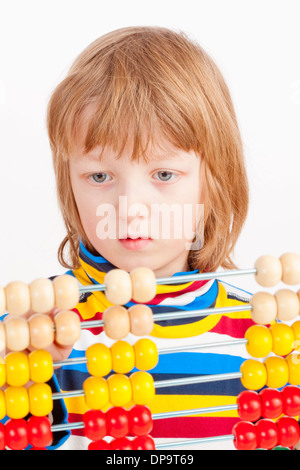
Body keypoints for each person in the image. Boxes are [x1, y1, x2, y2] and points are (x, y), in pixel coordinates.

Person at [4, 26, 255, 450]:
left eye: (163, 174)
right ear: (70, 185)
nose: (129, 206)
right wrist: (24, 381)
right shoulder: (35, 332)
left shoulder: (266, 342)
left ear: (214, 181)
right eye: (99, 176)